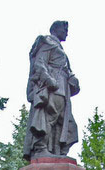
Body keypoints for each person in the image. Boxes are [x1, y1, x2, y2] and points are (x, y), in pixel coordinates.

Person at [23, 20, 80, 160]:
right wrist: (49, 81)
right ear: (55, 29)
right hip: (52, 89)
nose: (67, 32)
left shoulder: (59, 48)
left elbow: (66, 70)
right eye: (64, 29)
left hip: (63, 90)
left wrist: (73, 80)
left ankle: (57, 151)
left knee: (63, 122)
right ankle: (41, 148)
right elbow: (39, 64)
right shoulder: (47, 42)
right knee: (48, 118)